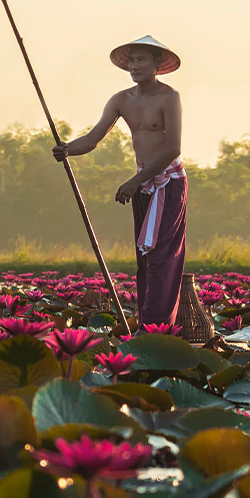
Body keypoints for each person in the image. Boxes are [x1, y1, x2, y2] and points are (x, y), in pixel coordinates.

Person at [52, 35, 186, 332]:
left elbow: (172, 148)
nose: (135, 66)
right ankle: (147, 325)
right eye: (132, 61)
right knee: (144, 255)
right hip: (142, 183)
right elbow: (92, 138)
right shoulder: (121, 99)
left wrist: (135, 180)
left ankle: (156, 326)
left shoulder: (169, 97)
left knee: (162, 255)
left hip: (168, 182)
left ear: (156, 65)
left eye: (141, 60)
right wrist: (67, 149)